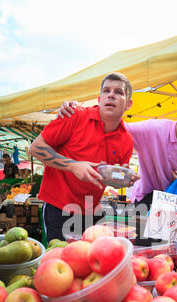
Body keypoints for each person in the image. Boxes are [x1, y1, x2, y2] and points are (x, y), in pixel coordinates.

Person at [29, 72, 139, 242]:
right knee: (61, 258)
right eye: (106, 91)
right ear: (99, 98)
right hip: (58, 207)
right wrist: (73, 165)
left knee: (87, 262)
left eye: (119, 92)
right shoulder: (75, 115)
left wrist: (124, 178)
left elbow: (109, 180)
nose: (111, 95)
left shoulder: (126, 140)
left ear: (129, 104)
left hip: (90, 211)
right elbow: (35, 148)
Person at [58, 93, 177, 211]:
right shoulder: (154, 129)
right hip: (145, 197)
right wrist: (80, 110)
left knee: (167, 247)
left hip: (172, 201)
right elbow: (118, 126)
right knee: (144, 246)